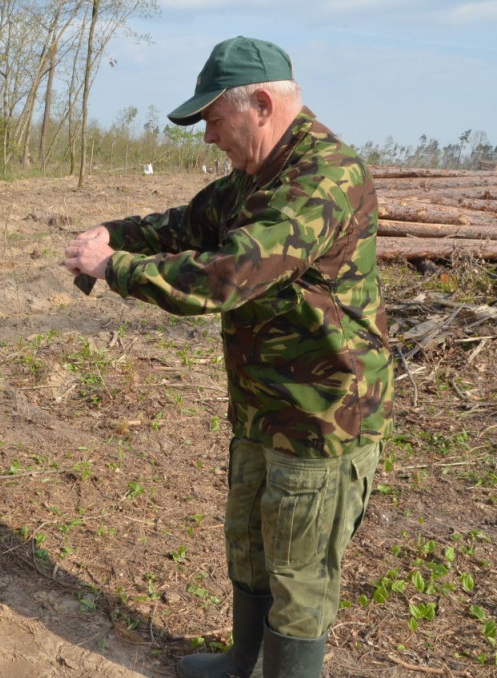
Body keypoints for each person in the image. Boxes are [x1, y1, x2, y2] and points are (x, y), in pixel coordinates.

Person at [63, 36, 394, 678]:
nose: (208, 137)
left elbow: (230, 275)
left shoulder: (323, 177)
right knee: (249, 545)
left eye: (214, 119)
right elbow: (186, 224)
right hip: (262, 407)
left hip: (320, 415)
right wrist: (116, 233)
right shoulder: (251, 178)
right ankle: (243, 660)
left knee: (299, 577)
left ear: (261, 104)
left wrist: (117, 269)